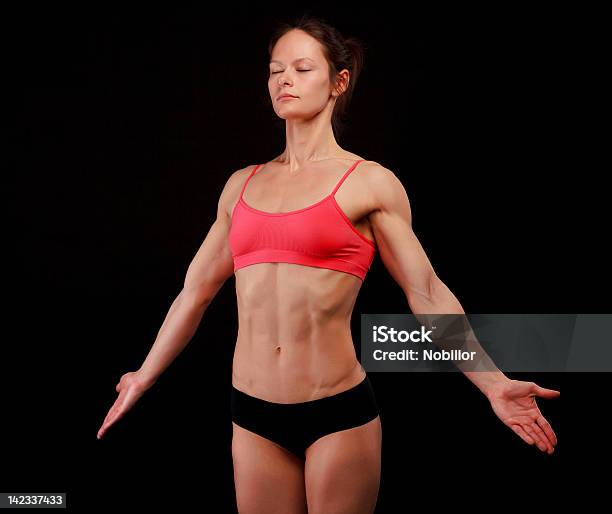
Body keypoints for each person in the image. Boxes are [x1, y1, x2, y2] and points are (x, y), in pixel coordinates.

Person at [97, 15, 560, 514]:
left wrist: (492, 383)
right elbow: (195, 292)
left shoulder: (369, 182)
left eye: (301, 68)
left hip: (335, 410)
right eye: (275, 71)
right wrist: (144, 374)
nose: (284, 80)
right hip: (251, 410)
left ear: (338, 82)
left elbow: (426, 292)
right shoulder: (241, 185)